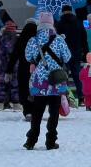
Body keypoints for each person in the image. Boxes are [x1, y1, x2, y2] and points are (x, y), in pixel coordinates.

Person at [23, 12, 71, 150]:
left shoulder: (33, 40)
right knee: (54, 113)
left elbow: (28, 57)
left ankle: (31, 141)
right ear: (52, 24)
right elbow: (67, 57)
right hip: (56, 82)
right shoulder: (59, 40)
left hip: (39, 83)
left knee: (37, 113)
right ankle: (50, 141)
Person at [55, 5, 89, 106]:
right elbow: (84, 40)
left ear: (62, 12)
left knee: (63, 77)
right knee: (78, 76)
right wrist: (86, 52)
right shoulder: (79, 23)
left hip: (63, 55)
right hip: (76, 54)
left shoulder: (59, 24)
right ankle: (81, 98)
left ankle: (65, 98)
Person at [5, 18, 38, 121]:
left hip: (23, 68)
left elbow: (14, 56)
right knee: (37, 88)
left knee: (24, 89)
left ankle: (27, 111)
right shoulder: (39, 38)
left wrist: (8, 70)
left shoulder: (21, 39)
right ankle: (36, 110)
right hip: (37, 69)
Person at [0, 21, 21, 112]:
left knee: (2, 85)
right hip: (14, 66)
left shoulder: (0, 39)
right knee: (15, 85)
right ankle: (16, 105)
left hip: (2, 65)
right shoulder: (16, 39)